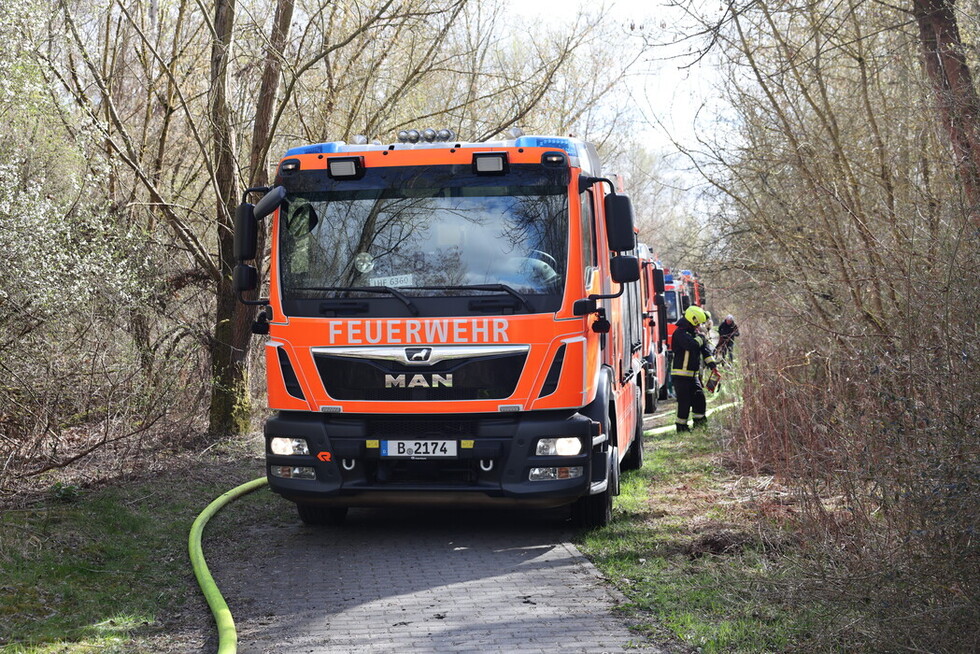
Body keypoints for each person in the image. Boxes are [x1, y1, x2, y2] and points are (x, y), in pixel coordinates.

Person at [671, 306, 718, 432]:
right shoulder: (680, 333)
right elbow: (690, 344)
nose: (698, 327)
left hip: (693, 376)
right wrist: (702, 338)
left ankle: (700, 425)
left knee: (699, 399)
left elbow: (705, 351)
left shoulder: (695, 334)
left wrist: (713, 366)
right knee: (684, 403)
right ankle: (682, 428)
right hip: (681, 376)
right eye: (696, 324)